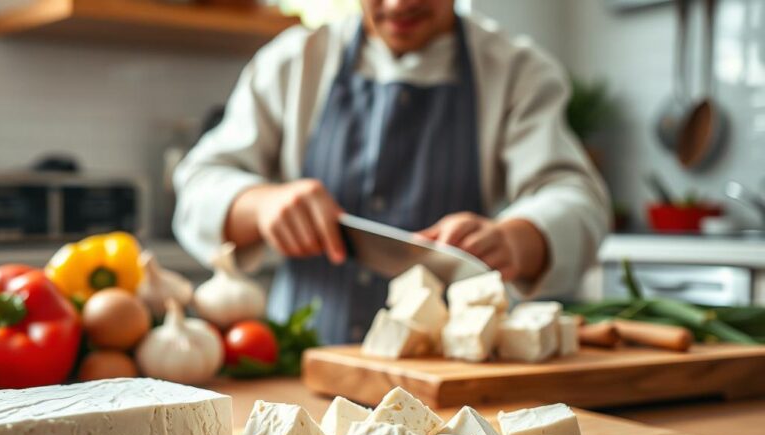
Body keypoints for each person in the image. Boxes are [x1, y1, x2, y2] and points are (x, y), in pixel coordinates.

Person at [173, 0, 610, 344]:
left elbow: (576, 195)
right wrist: (262, 204)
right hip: (301, 365)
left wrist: (517, 238)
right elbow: (199, 182)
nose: (400, 4)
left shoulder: (516, 71)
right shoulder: (293, 61)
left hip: (450, 379)